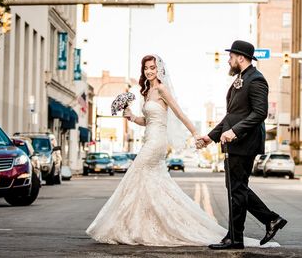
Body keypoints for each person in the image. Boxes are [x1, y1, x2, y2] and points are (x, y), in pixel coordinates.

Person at [86, 54, 278, 248]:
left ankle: (240, 235)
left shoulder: (162, 89)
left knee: (136, 175)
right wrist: (133, 117)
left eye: (152, 67)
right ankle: (142, 226)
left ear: (159, 69)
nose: (149, 71)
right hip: (150, 139)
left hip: (158, 143)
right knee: (149, 182)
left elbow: (179, 113)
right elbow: (151, 120)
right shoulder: (147, 91)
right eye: (146, 68)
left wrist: (196, 133)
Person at [196, 40, 287, 250]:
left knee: (236, 189)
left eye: (231, 56)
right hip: (236, 142)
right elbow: (232, 115)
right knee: (236, 188)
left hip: (244, 142)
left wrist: (235, 131)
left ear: (240, 57)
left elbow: (260, 113)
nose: (228, 60)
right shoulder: (242, 78)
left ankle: (236, 238)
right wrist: (211, 137)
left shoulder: (256, 80)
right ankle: (267, 222)